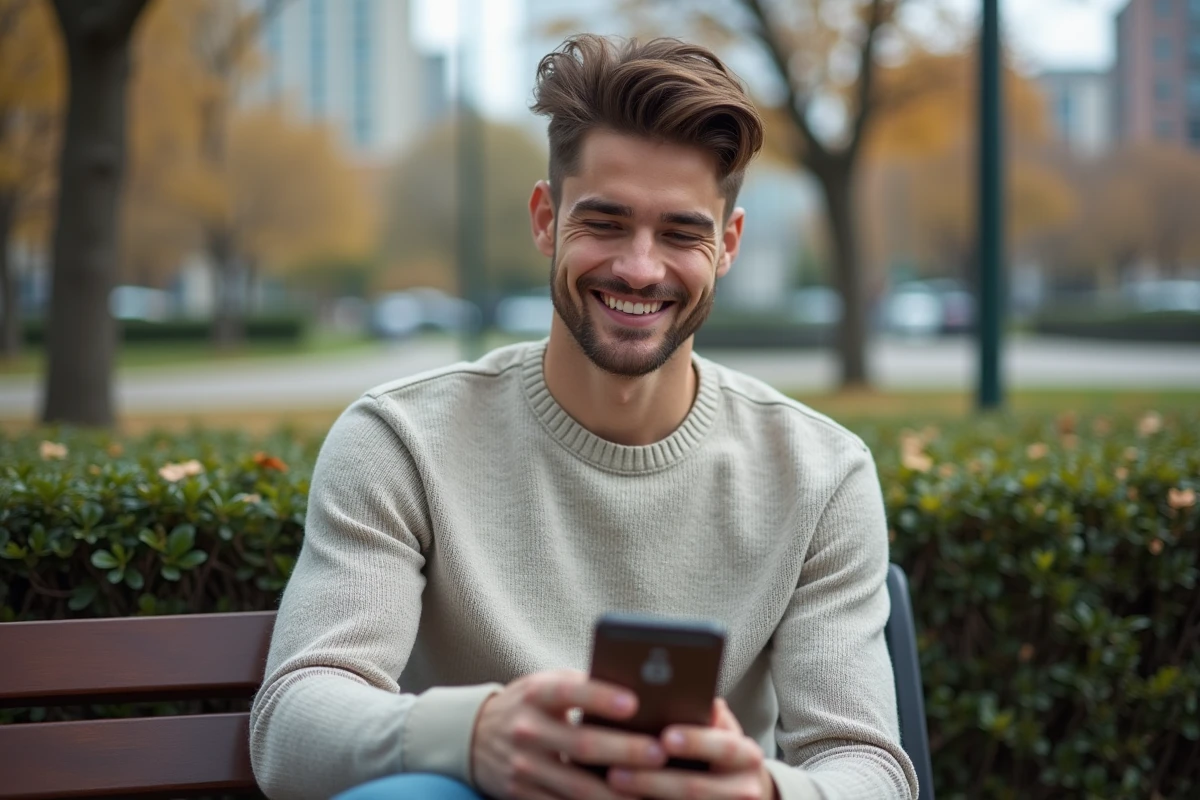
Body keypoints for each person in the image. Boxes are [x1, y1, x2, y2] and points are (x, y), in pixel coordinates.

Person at [249, 34, 919, 800]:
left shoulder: (821, 474)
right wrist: (473, 735)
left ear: (727, 245)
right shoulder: (400, 442)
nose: (639, 267)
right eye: (605, 223)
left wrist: (763, 792)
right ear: (546, 218)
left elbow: (867, 767)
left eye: (681, 233)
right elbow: (290, 725)